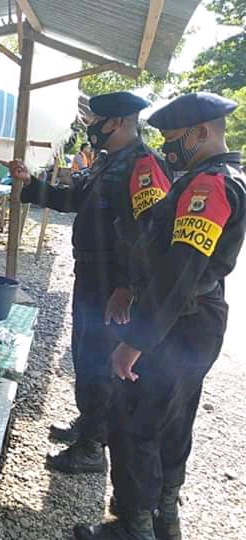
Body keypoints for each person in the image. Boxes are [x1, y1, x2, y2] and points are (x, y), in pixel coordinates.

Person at [75, 93, 246, 540]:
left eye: (172, 138)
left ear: (201, 132)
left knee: (135, 421)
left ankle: (133, 526)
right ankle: (164, 517)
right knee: (172, 419)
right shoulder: (216, 178)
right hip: (193, 319)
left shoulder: (209, 186)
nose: (167, 148)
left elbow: (179, 272)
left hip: (179, 322)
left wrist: (136, 341)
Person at [2, 91, 172, 474]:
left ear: (117, 122)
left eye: (96, 120)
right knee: (85, 354)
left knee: (100, 362)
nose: (92, 127)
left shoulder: (144, 166)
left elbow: (150, 233)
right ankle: (90, 423)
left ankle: (93, 446)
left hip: (114, 285)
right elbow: (72, 200)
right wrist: (30, 183)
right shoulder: (107, 161)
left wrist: (128, 287)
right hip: (92, 277)